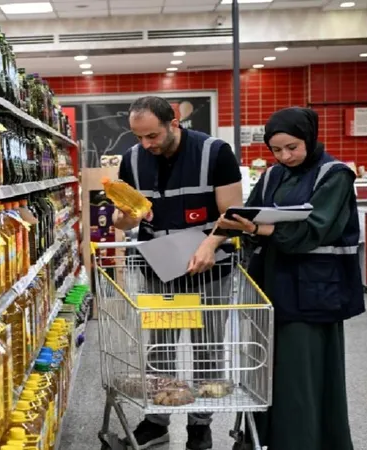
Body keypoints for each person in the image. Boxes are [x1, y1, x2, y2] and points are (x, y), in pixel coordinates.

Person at [215, 107, 364, 450]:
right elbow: (247, 214)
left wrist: (262, 229)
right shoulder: (272, 176)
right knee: (267, 370)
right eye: (276, 150)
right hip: (271, 285)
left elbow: (316, 229)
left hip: (313, 292)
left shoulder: (335, 175)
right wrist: (232, 230)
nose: (284, 156)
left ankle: (304, 442)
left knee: (302, 374)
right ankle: (262, 439)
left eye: (292, 147)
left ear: (309, 138)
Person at [111, 96, 243, 450]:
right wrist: (124, 218)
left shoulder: (215, 153)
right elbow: (124, 221)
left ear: (173, 123)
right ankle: (157, 421)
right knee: (161, 347)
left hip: (211, 270)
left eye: (152, 135)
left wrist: (210, 244)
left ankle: (200, 424)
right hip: (160, 268)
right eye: (139, 137)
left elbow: (233, 214)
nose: (145, 144)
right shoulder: (132, 160)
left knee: (208, 346)